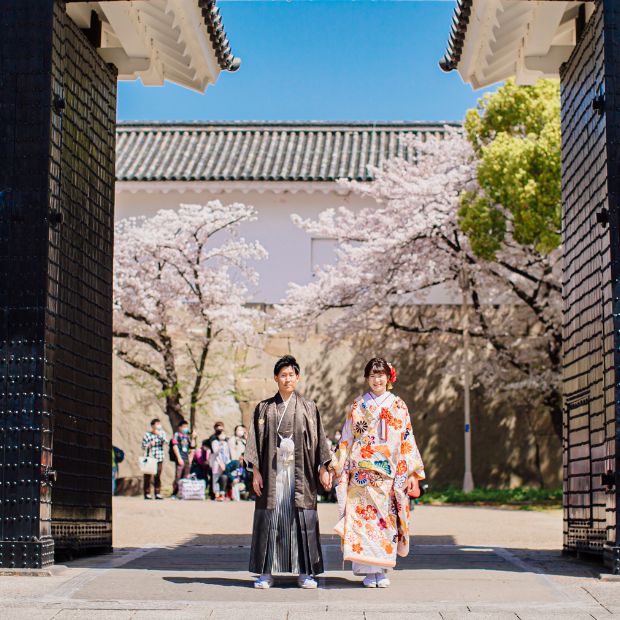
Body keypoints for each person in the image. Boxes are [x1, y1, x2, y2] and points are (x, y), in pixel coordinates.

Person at [331, 357, 425, 588]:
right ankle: (366, 570)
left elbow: (407, 439)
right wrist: (336, 466)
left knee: (385, 522)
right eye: (372, 375)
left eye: (380, 375)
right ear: (367, 378)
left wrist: (411, 473)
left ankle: (381, 569)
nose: (376, 379)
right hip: (361, 476)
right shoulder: (358, 405)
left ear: (388, 377)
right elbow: (346, 438)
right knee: (363, 522)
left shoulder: (398, 406)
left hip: (388, 476)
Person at [245, 355, 332, 590]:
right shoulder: (264, 408)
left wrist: (323, 467)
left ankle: (306, 572)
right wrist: (256, 472)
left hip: (300, 473)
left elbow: (319, 441)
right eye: (282, 375)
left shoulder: (309, 407)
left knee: (302, 520)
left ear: (297, 377)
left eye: (291, 375)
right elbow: (255, 442)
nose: (287, 379)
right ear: (276, 378)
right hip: (272, 474)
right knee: (270, 520)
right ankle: (265, 573)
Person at [141, 418, 167, 500]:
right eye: (157, 424)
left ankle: (157, 493)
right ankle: (147, 493)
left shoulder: (162, 433)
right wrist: (149, 444)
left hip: (159, 457)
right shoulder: (147, 434)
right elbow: (143, 446)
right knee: (147, 476)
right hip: (150, 458)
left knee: (158, 475)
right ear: (152, 426)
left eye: (159, 423)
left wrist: (158, 435)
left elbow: (166, 442)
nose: (158, 425)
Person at [171, 419, 196, 498]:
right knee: (178, 476)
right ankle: (174, 493)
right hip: (180, 457)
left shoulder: (187, 436)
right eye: (184, 427)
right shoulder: (177, 435)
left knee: (186, 476)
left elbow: (192, 447)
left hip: (186, 458)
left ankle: (183, 493)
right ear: (180, 427)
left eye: (186, 426)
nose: (186, 428)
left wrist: (194, 438)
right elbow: (174, 446)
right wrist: (179, 458)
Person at [210, 428, 231, 501]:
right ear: (218, 435)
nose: (223, 436)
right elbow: (216, 453)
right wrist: (220, 464)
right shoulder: (215, 442)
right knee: (216, 478)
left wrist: (227, 464)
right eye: (221, 434)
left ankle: (223, 494)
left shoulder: (225, 443)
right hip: (217, 463)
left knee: (223, 478)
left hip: (224, 463)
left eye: (224, 434)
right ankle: (216, 495)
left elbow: (227, 454)